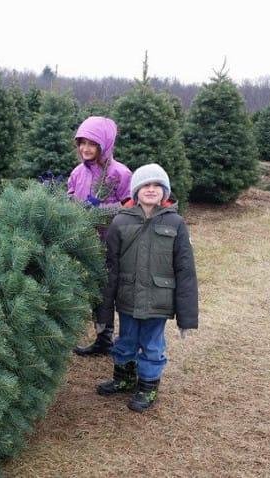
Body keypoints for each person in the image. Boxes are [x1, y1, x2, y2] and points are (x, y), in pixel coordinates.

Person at [94, 163, 198, 412]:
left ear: (165, 191)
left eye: (157, 185)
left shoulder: (176, 223)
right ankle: (124, 378)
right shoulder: (120, 222)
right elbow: (110, 269)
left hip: (159, 301)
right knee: (126, 340)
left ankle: (148, 386)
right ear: (135, 191)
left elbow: (186, 272)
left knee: (153, 345)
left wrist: (186, 318)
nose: (151, 190)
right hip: (127, 298)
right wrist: (103, 314)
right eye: (145, 185)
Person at [67, 116, 132, 356]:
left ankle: (115, 340)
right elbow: (69, 197)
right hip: (85, 244)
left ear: (104, 145)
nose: (85, 148)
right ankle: (102, 337)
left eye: (92, 144)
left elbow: (130, 207)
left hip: (112, 244)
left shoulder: (120, 173)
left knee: (111, 291)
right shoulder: (77, 173)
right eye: (82, 143)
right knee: (95, 291)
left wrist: (99, 213)